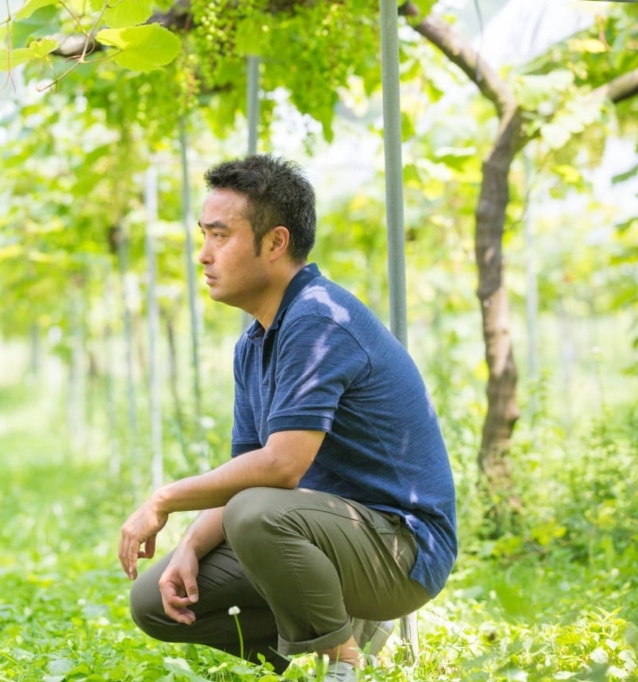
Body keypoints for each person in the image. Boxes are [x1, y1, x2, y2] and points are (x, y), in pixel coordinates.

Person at [118, 155, 457, 681]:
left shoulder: (318, 319)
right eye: (203, 235)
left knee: (255, 512)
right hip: (322, 534)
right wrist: (189, 546)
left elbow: (279, 468)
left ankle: (342, 662)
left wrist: (163, 500)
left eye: (220, 236)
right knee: (155, 601)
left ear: (276, 242)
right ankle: (342, 626)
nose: (204, 255)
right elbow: (247, 476)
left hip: (400, 549)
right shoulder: (254, 342)